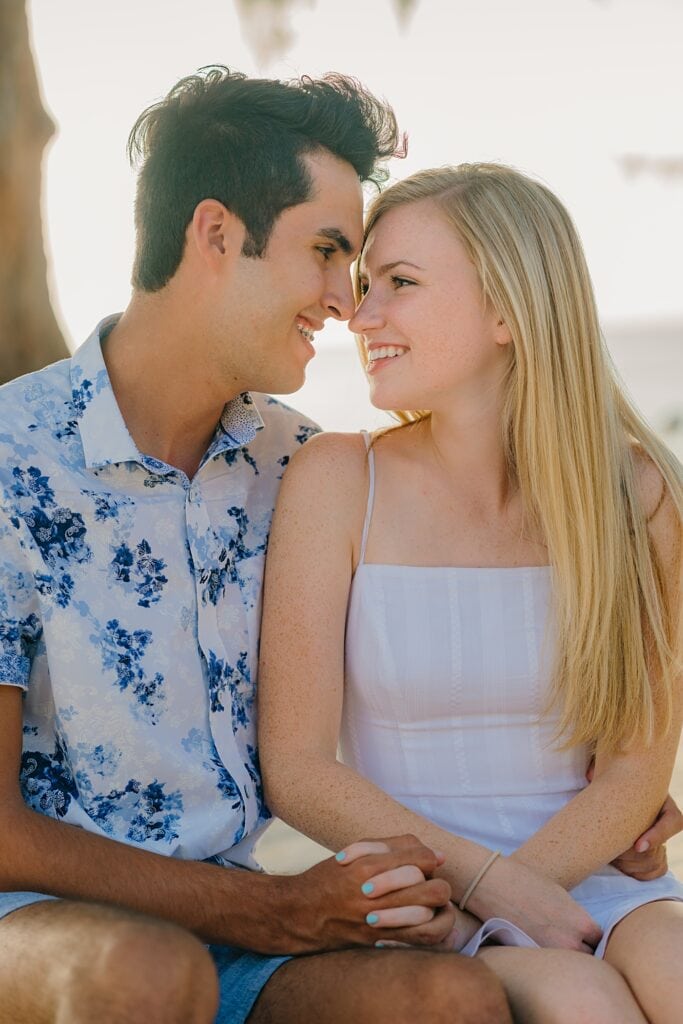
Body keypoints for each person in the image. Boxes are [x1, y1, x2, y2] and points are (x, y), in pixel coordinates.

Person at [0, 71, 515, 1024]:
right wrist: (269, 908)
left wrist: (600, 794)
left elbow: (438, 657)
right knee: (148, 977)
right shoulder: (10, 459)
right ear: (214, 234)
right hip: (37, 930)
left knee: (444, 997)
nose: (344, 302)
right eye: (325, 252)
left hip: (243, 930)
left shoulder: (303, 467)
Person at [258, 162, 683, 1023]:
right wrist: (484, 886)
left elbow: (636, 770)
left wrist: (526, 887)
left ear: (506, 311)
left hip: (592, 879)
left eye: (399, 285)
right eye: (366, 284)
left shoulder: (635, 495)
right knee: (584, 1008)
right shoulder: (338, 478)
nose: (360, 315)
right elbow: (297, 771)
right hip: (429, 902)